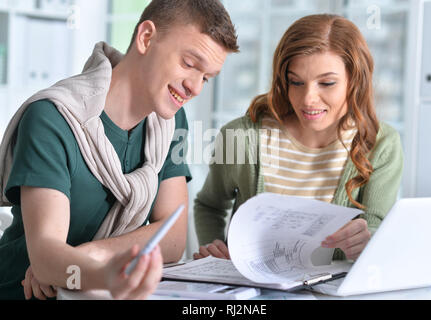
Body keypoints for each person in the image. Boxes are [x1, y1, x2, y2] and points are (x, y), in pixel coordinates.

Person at [0, 0, 238, 300]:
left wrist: (91, 257)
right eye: (190, 64)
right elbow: (47, 257)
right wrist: (108, 273)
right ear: (146, 38)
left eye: (206, 77)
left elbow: (173, 238)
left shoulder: (170, 121)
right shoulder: (53, 118)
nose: (196, 87)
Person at [193, 14, 403, 263]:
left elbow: (376, 228)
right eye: (296, 82)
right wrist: (214, 251)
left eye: (326, 83)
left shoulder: (381, 145)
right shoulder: (242, 137)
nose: (307, 99)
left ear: (354, 81)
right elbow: (209, 205)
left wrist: (366, 242)